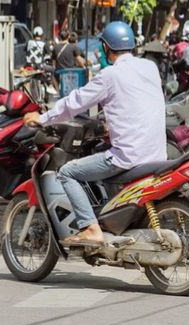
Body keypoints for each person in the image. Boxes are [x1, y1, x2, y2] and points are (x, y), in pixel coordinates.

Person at [22, 21, 166, 246]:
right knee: (102, 150)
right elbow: (133, 101)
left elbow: (75, 102)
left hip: (128, 157)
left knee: (67, 172)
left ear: (106, 47)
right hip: (157, 154)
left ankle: (91, 228)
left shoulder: (109, 75)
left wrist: (43, 118)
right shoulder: (150, 68)